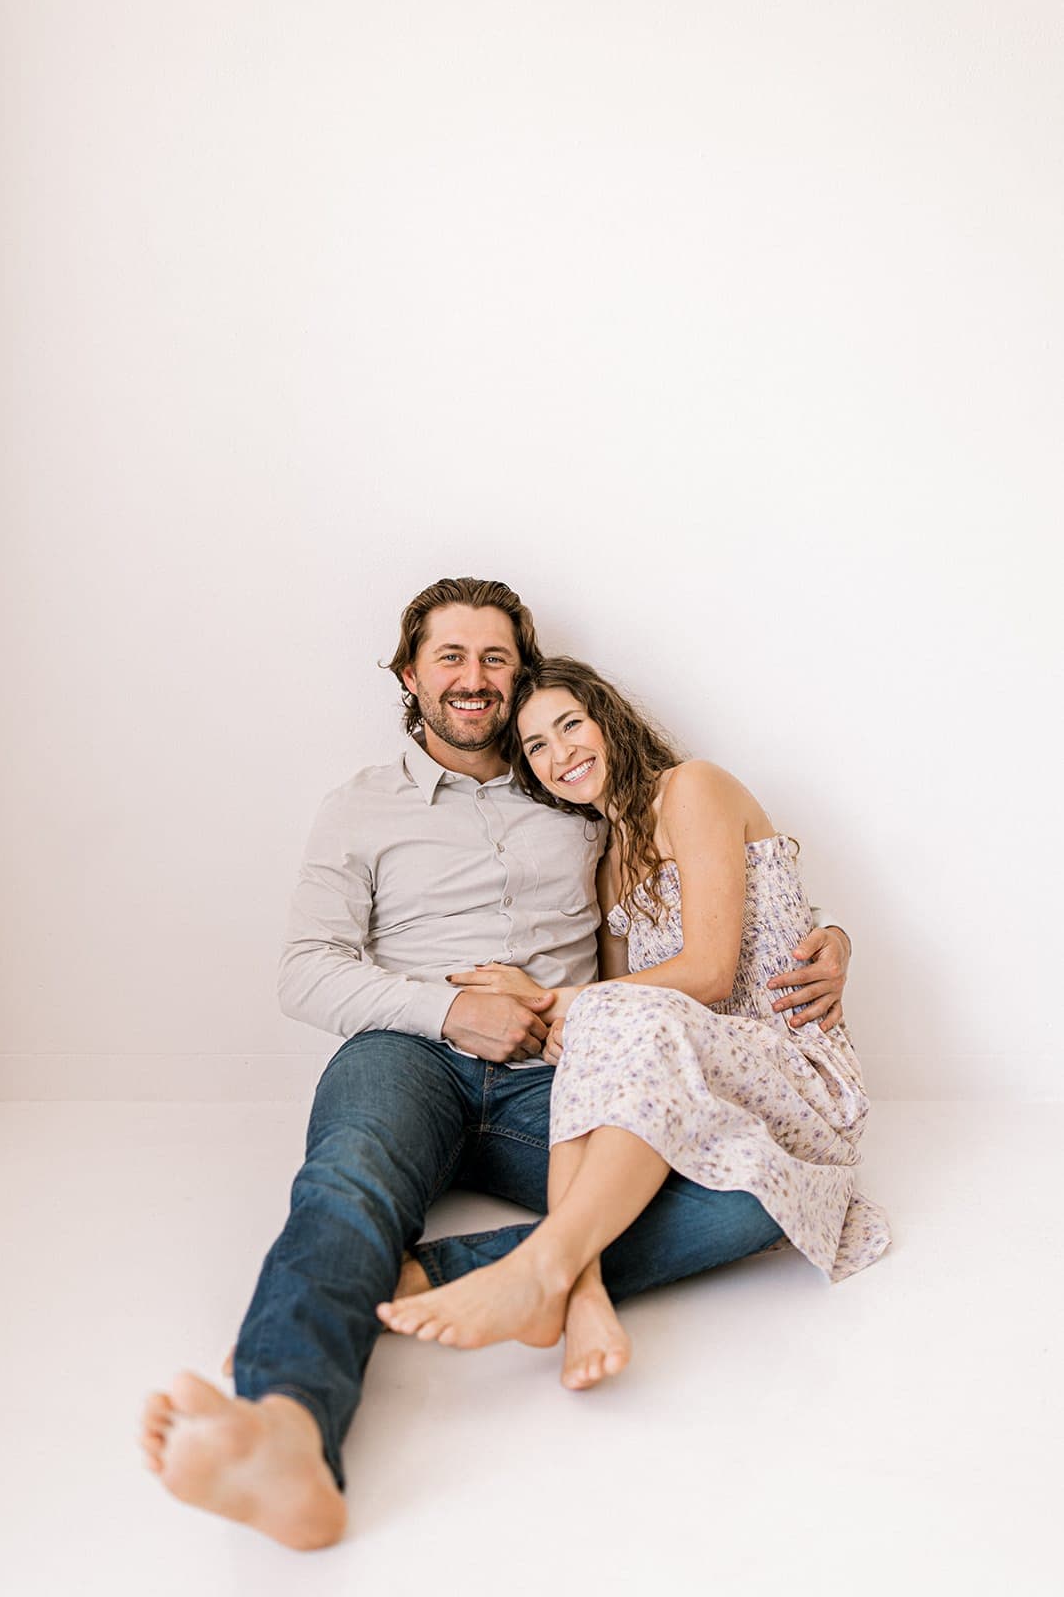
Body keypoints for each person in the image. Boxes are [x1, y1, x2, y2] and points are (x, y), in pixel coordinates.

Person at [139, 577, 855, 1550]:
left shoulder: (584, 812)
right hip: (410, 1054)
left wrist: (829, 938)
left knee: (751, 1199)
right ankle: (285, 1430)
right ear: (410, 674)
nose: (474, 679)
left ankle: (402, 1284)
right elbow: (304, 974)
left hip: (561, 1071)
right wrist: (451, 1010)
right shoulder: (358, 807)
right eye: (450, 657)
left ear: (521, 678)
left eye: (494, 660)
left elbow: (682, 956)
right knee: (345, 1186)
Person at [377, 657, 890, 1366]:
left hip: (793, 1070)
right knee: (598, 1032)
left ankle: (523, 1272)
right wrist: (544, 1001)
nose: (561, 755)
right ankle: (579, 1291)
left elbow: (708, 974)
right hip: (704, 1078)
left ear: (606, 720)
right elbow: (614, 1019)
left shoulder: (692, 789)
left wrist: (559, 999)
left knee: (611, 1012)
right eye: (536, 747)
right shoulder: (610, 858)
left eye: (570, 726)